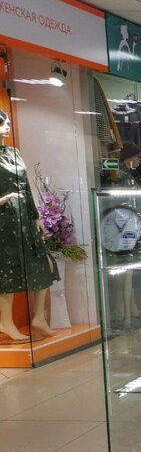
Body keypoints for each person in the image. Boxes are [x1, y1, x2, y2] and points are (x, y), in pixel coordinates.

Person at [0, 109, 58, 341]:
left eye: (7, 122)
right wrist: (4, 199)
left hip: (23, 217)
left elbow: (25, 187)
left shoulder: (14, 153)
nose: (6, 126)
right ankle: (6, 323)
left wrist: (36, 218)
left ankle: (38, 318)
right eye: (2, 123)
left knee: (44, 263)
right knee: (8, 269)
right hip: (3, 220)